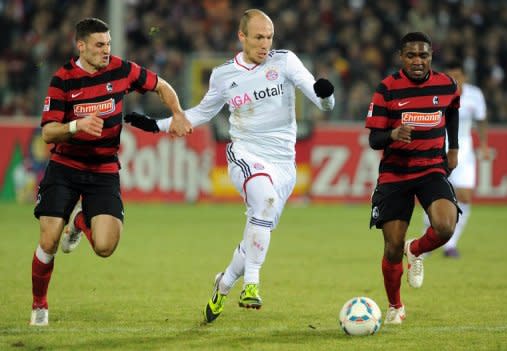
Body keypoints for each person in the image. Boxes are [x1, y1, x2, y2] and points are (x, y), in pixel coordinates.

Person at [125, 9, 335, 323]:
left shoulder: (286, 61)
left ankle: (223, 284)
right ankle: (252, 284)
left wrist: (327, 96)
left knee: (258, 226)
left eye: (269, 37)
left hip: (283, 165)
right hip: (246, 154)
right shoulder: (224, 76)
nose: (265, 44)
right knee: (263, 201)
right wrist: (155, 126)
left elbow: (321, 100)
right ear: (242, 37)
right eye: (258, 37)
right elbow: (200, 114)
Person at [30, 17, 192, 326]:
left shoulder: (121, 69)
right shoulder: (62, 79)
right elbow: (49, 133)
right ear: (81, 46)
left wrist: (178, 113)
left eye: (109, 44)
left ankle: (79, 220)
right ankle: (39, 304)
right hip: (65, 167)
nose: (106, 51)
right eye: (99, 45)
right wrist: (77, 125)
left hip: (103, 169)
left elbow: (161, 85)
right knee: (49, 241)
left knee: (105, 247)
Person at [365, 32, 461, 325]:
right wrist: (392, 134)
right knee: (392, 247)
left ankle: (415, 249)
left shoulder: (446, 84)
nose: (418, 61)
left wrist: (453, 147)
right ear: (401, 57)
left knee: (445, 226)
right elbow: (374, 139)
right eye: (411, 56)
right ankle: (395, 305)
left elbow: (453, 112)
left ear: (431, 56)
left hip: (432, 168)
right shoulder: (387, 90)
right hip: (396, 174)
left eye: (424, 55)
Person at [422, 61, 489, 258]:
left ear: (464, 77)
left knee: (465, 196)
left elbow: (481, 120)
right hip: (437, 147)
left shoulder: (475, 95)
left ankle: (450, 244)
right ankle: (428, 239)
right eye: (450, 76)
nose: (454, 80)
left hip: (464, 150)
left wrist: (484, 145)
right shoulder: (436, 93)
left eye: (457, 76)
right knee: (434, 196)